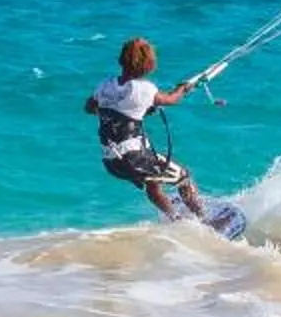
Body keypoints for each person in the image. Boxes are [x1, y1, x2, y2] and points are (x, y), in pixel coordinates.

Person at [86, 37, 213, 223]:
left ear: (121, 60)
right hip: (134, 159)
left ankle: (175, 219)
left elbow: (90, 108)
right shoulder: (145, 89)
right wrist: (184, 89)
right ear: (149, 65)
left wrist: (129, 110)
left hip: (112, 162)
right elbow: (171, 100)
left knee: (152, 183)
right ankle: (203, 220)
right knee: (184, 177)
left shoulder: (104, 85)